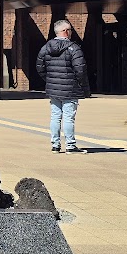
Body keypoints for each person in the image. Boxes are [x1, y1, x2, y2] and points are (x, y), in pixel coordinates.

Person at [36, 20, 91, 154]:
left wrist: (49, 80)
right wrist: (83, 86)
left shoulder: (45, 47)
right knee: (68, 117)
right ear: (65, 32)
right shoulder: (74, 48)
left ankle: (55, 145)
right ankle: (70, 145)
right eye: (70, 30)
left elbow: (40, 67)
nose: (71, 32)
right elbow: (80, 70)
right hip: (70, 88)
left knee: (55, 116)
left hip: (53, 88)